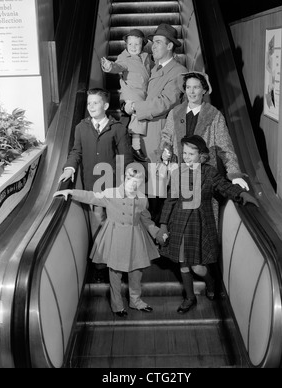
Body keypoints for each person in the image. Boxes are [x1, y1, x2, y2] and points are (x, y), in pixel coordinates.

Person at [157, 135, 259, 314]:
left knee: (197, 266)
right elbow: (170, 201)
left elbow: (223, 186)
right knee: (183, 264)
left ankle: (211, 281)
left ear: (202, 155)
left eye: (191, 153)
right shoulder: (177, 173)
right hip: (180, 223)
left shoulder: (209, 172)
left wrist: (241, 194)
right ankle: (190, 298)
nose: (186, 157)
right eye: (184, 153)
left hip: (199, 224)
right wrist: (164, 224)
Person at [54, 168, 166, 317]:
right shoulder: (111, 193)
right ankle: (117, 305)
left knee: (137, 271)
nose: (133, 184)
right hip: (116, 236)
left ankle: (136, 301)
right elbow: (92, 196)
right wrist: (71, 192)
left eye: (137, 181)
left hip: (135, 238)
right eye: (130, 180)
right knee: (115, 273)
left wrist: (158, 233)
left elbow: (146, 220)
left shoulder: (142, 199)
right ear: (125, 178)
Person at [59, 88, 133, 238]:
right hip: (93, 184)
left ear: (105, 106)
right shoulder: (81, 128)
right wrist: (69, 169)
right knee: (97, 218)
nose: (91, 107)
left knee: (116, 221)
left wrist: (127, 180)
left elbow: (126, 157)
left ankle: (114, 253)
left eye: (95, 103)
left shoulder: (118, 128)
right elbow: (76, 151)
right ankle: (100, 256)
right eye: (89, 103)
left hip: (114, 185)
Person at [159, 71, 249, 190]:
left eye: (196, 87)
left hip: (203, 177)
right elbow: (166, 137)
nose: (191, 92)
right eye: (188, 87)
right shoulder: (175, 113)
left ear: (204, 90)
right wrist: (166, 150)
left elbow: (225, 148)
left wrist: (234, 174)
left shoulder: (214, 115)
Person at [124, 24, 188, 164]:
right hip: (144, 132)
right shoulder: (153, 68)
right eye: (153, 42)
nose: (153, 46)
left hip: (160, 132)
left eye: (158, 42)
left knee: (159, 178)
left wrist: (135, 106)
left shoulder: (179, 71)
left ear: (170, 46)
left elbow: (165, 102)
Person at [101, 29, 154, 162]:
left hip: (144, 93)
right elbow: (117, 66)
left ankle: (119, 141)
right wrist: (109, 66)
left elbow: (153, 69)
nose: (133, 47)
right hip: (130, 95)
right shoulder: (124, 58)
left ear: (142, 45)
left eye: (137, 44)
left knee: (128, 120)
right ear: (126, 45)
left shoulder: (147, 57)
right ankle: (135, 147)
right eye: (130, 44)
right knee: (138, 113)